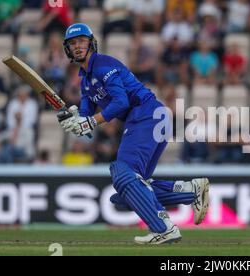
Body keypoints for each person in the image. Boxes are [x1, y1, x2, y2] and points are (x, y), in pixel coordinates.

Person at [57, 23, 210, 245]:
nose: (78, 46)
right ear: (68, 49)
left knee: (122, 172)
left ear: (91, 43)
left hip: (146, 114)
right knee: (125, 195)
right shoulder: (85, 82)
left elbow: (121, 102)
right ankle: (191, 191)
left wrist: (89, 121)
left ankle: (163, 227)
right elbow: (86, 123)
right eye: (73, 43)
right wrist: (74, 122)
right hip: (152, 119)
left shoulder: (103, 64)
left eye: (81, 41)